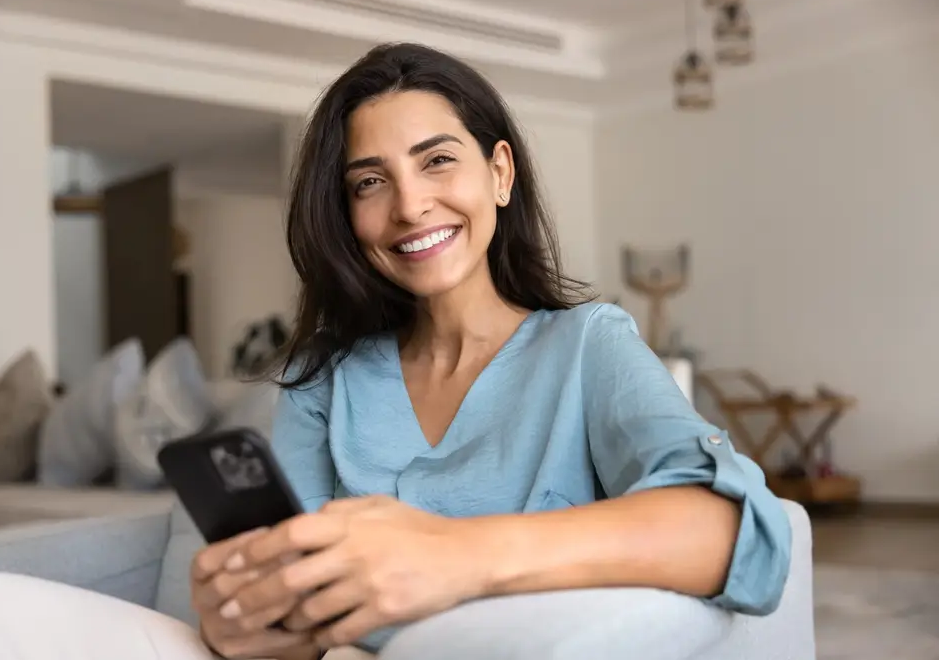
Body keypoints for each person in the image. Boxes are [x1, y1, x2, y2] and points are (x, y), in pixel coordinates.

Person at [188, 41, 792, 660]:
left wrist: (454, 554)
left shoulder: (588, 345)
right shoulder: (322, 380)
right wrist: (240, 626)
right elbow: (297, 613)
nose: (410, 205)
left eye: (438, 160)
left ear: (499, 173)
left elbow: (734, 532)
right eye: (370, 181)